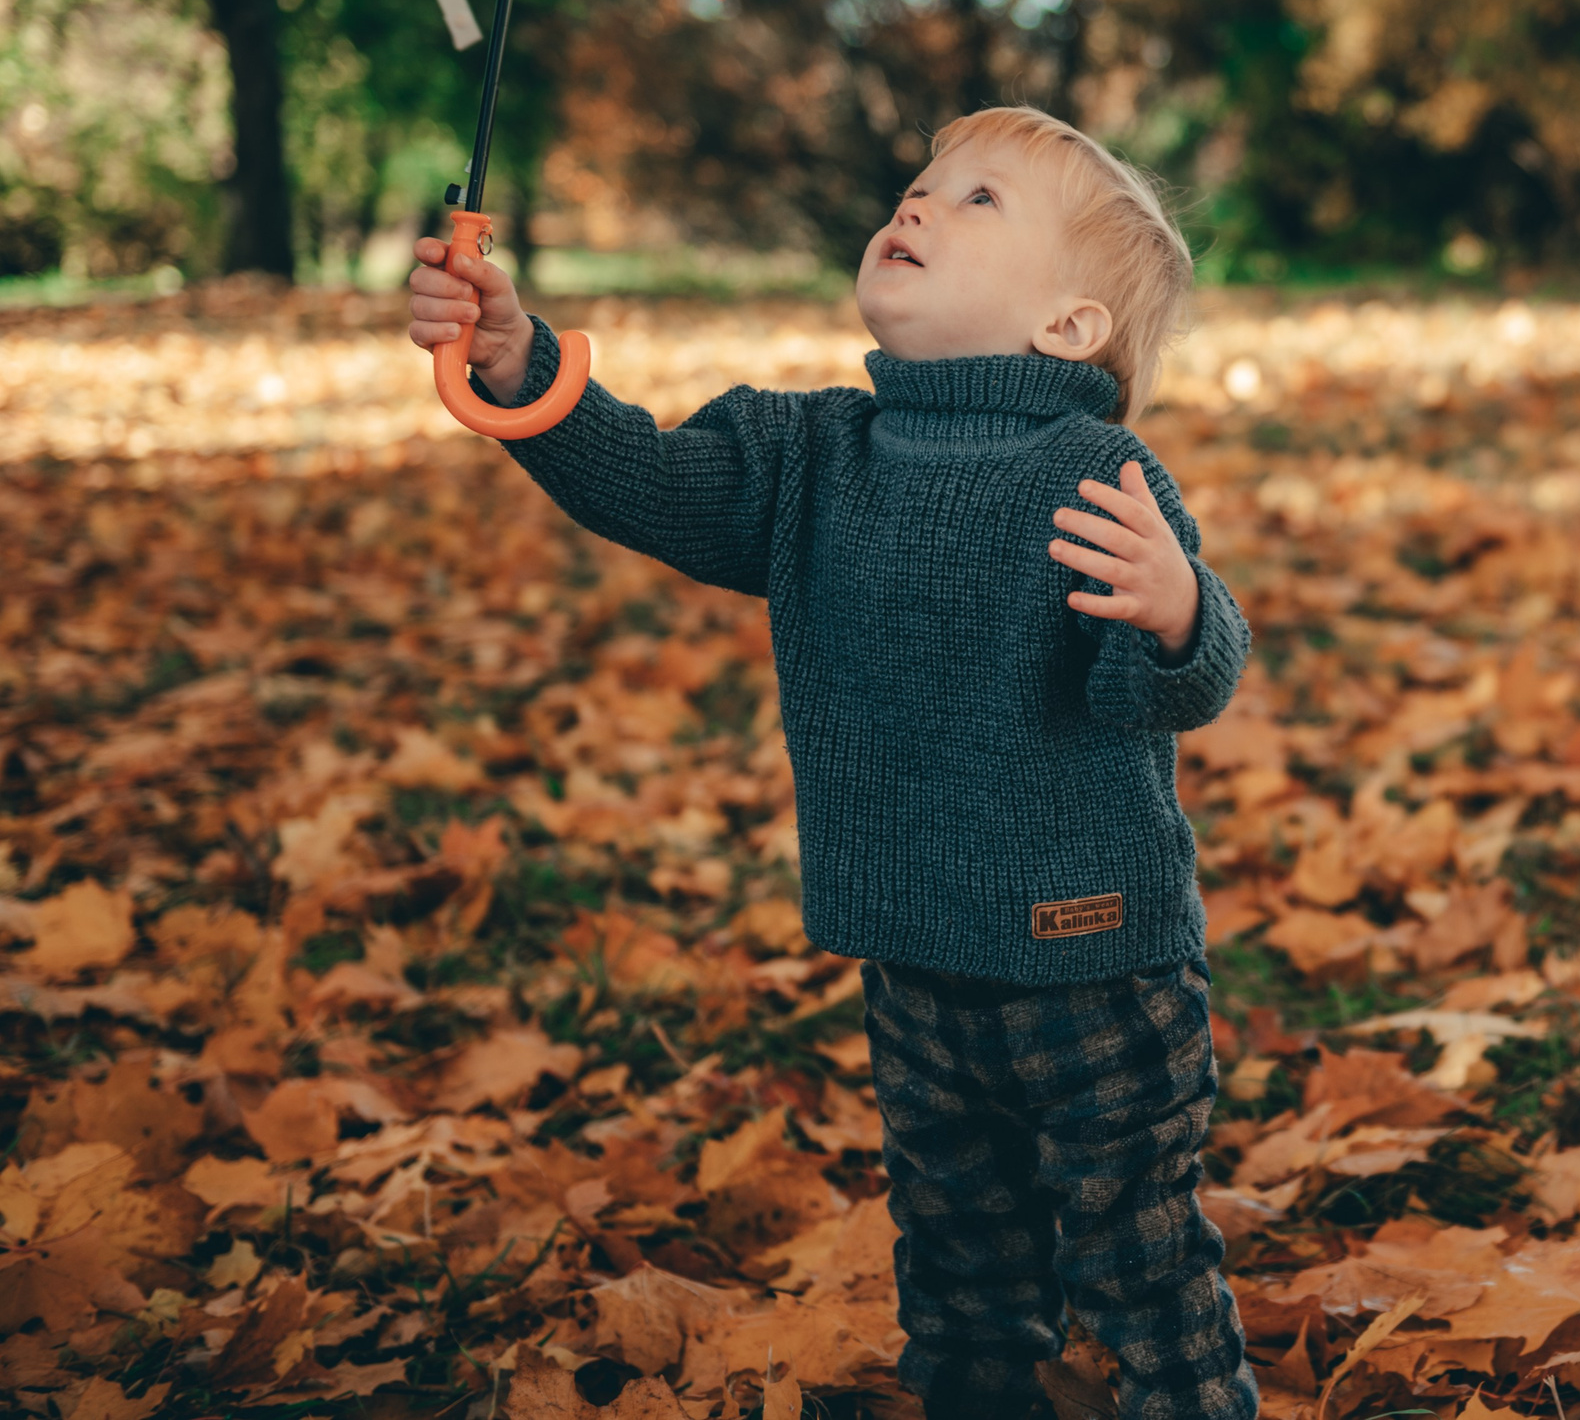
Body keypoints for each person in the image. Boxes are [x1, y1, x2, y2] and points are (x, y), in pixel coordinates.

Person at [408, 106, 1257, 1420]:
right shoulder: (811, 453)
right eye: (920, 185)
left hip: (1096, 958)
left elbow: (1170, 687)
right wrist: (519, 368)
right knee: (959, 1260)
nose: (915, 204)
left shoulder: (1097, 471)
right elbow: (648, 477)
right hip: (915, 952)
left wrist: (1179, 608)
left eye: (977, 201)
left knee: (1137, 1259)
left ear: (1070, 327)